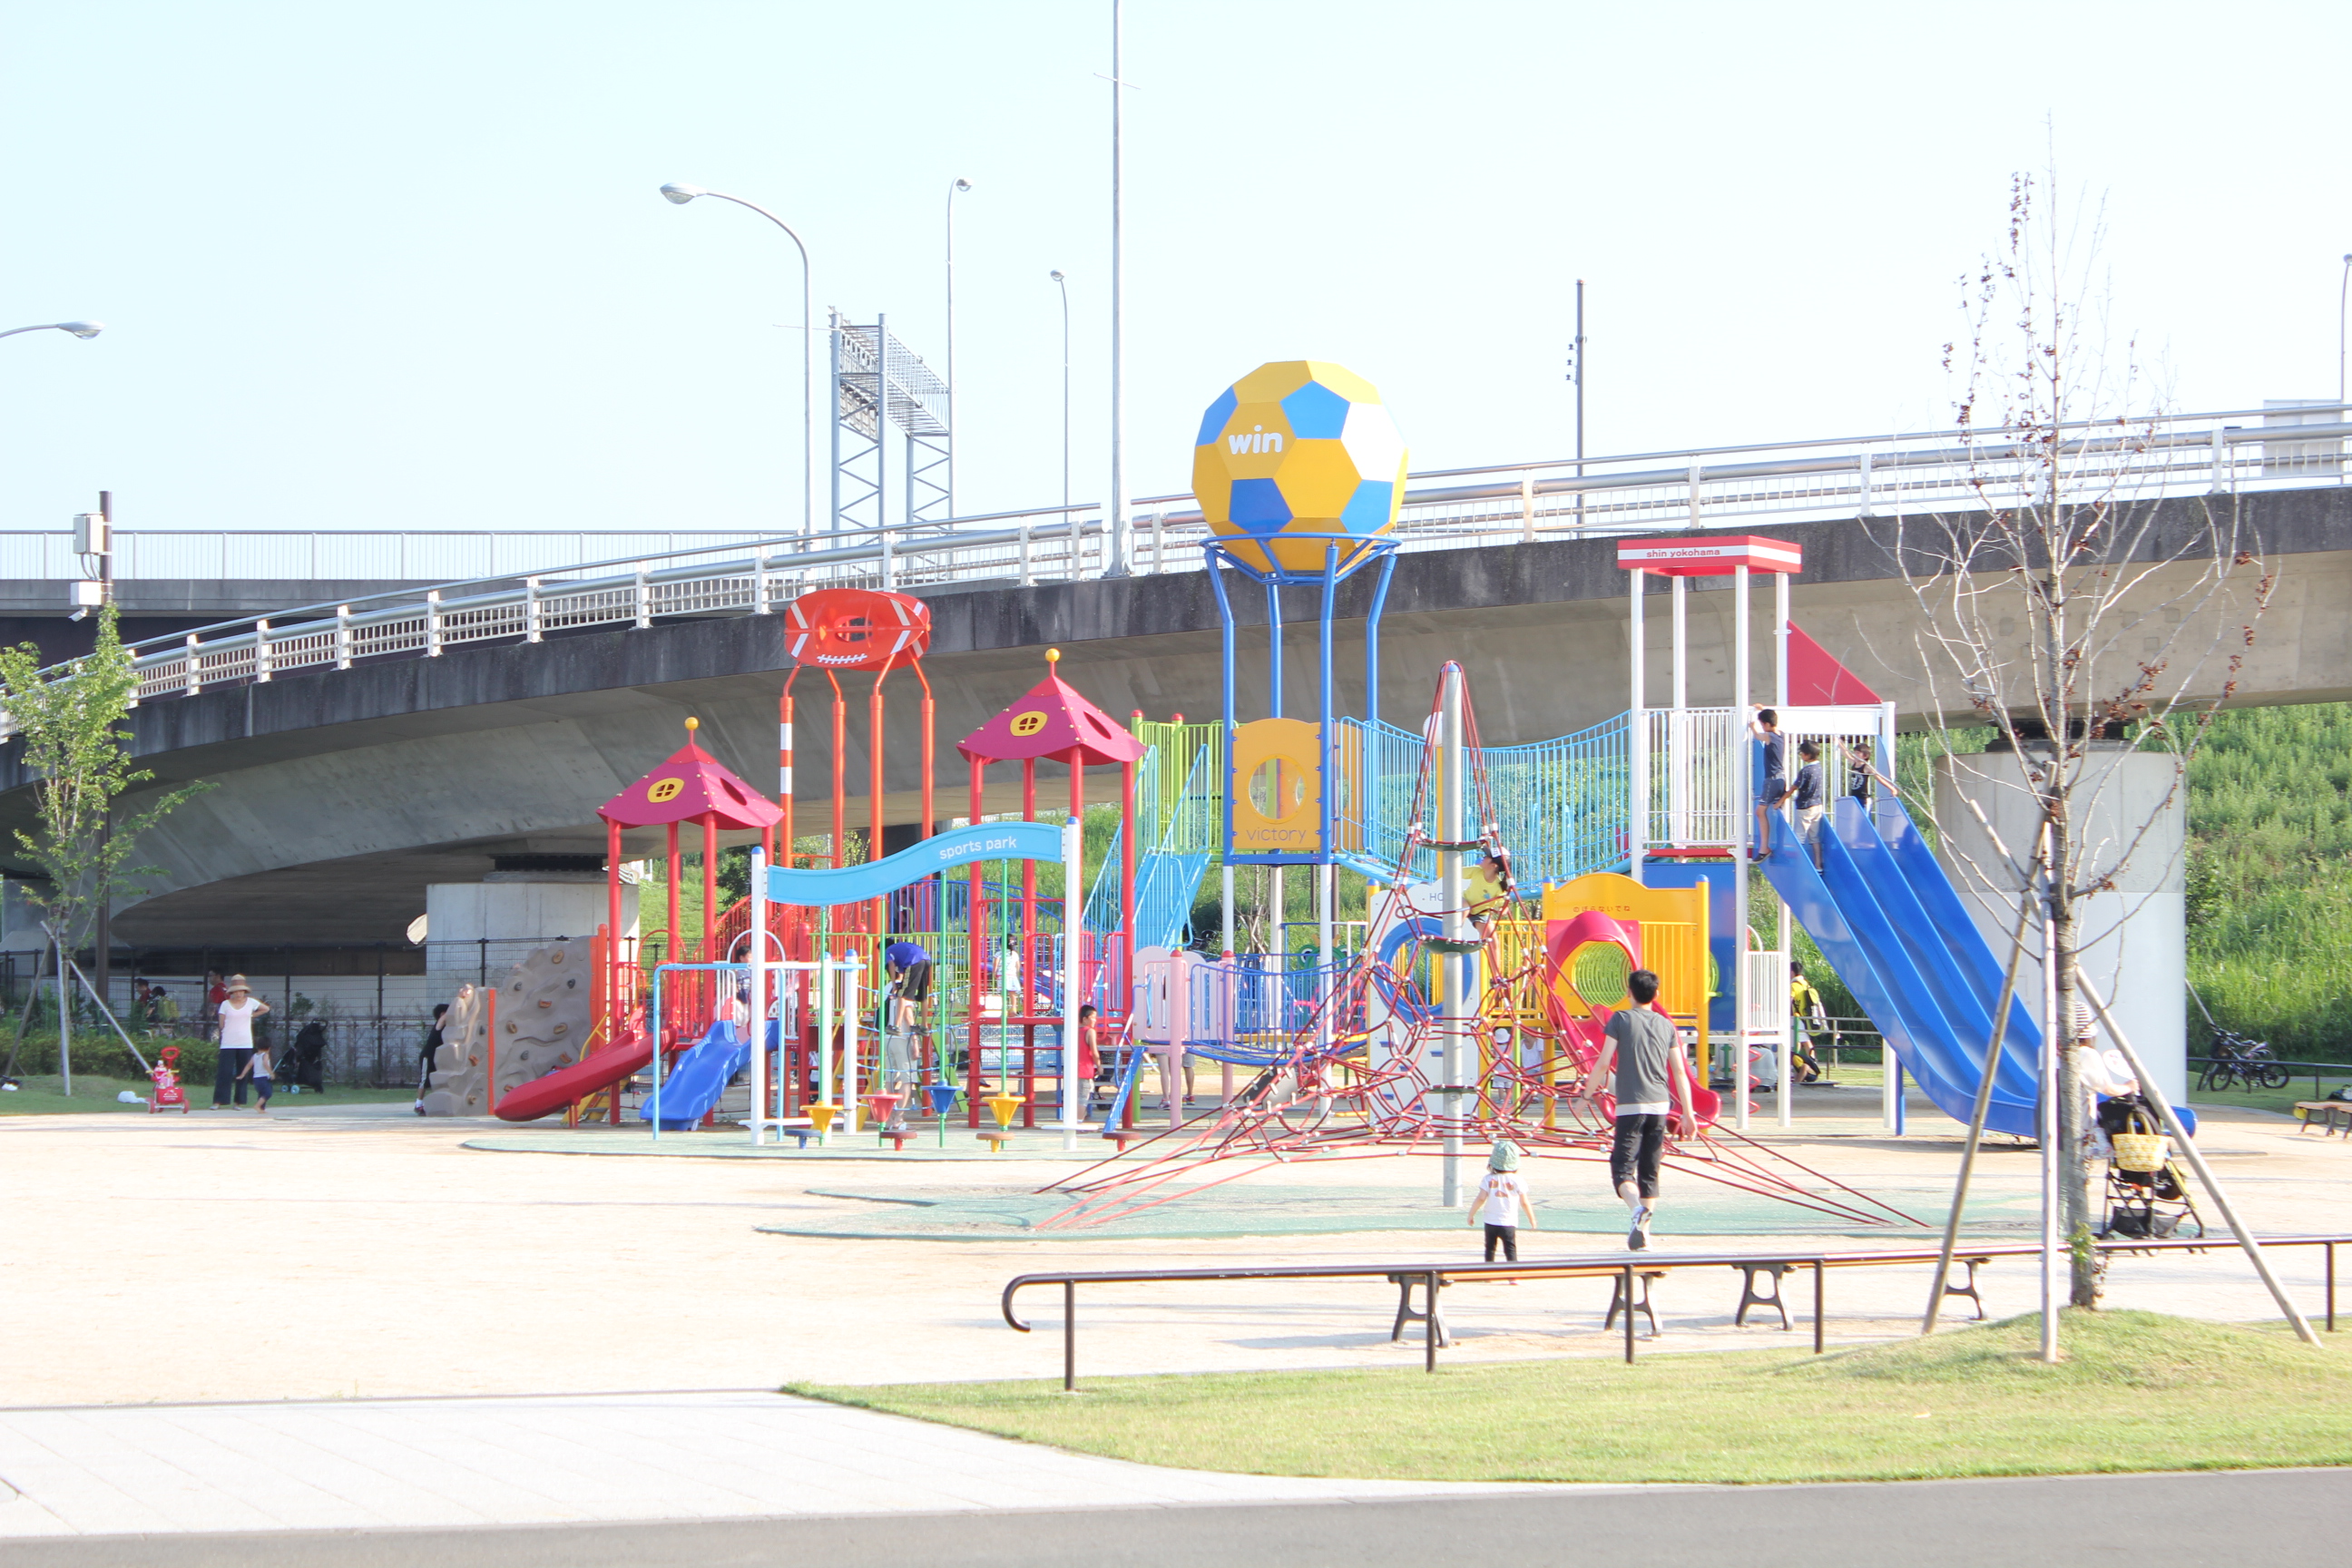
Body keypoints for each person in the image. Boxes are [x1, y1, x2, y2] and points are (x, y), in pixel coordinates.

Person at [1579, 968, 1698, 1252]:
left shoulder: (1620, 1019)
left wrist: (1585, 1095)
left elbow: (1603, 1063)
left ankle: (1636, 1210)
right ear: (1656, 994)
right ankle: (1644, 1234)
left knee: (1622, 1169)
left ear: (1628, 993)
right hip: (1660, 1106)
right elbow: (1679, 1071)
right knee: (1649, 1171)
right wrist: (1688, 1112)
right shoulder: (1666, 1025)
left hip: (1630, 1105)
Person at [1465, 1138, 1537, 1263]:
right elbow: (1524, 1202)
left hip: (1490, 1220)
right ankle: (1513, 1272)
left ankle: (1489, 1271)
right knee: (1510, 1248)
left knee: (1490, 1248)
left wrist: (1471, 1214)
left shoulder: (1488, 1179)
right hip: (1508, 1221)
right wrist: (1532, 1219)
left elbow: (1481, 1198)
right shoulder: (1518, 1180)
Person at [211, 975, 270, 1108]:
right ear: (232, 992)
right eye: (236, 991)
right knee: (224, 1072)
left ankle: (238, 1102)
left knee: (242, 1072)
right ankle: (218, 1101)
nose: (239, 994)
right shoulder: (225, 1004)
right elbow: (221, 1023)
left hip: (245, 1043)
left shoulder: (251, 1002)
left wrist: (252, 1015)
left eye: (241, 991)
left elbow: (266, 1008)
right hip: (228, 1043)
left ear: (244, 991)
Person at [1748, 708, 1788, 856]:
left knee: (1760, 811)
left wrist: (1752, 727)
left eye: (1762, 724)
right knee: (1778, 813)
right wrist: (1762, 709)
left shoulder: (1769, 736)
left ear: (1766, 724)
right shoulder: (1781, 734)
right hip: (1781, 779)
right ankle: (1780, 846)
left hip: (1772, 779)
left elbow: (1758, 736)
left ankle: (1764, 847)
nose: (1762, 727)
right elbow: (1770, 717)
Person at [1788, 961, 1826, 1083]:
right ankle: (1812, 1062)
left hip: (1796, 1018)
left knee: (1795, 1044)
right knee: (1805, 1042)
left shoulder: (1793, 985)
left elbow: (1789, 1001)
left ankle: (1800, 1066)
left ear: (1792, 972)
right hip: (1806, 1019)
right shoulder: (1805, 983)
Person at [884, 940, 931, 1034]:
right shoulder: (901, 948)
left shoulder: (887, 951)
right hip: (927, 960)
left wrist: (894, 985)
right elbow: (904, 974)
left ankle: (896, 1026)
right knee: (923, 996)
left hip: (913, 961)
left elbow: (891, 964)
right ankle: (924, 1026)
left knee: (901, 994)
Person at [1791, 740, 1827, 860]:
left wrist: (1781, 801)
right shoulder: (1819, 768)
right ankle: (1818, 864)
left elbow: (1794, 787)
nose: (1801, 755)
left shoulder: (1806, 771)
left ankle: (1799, 863)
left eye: (1802, 753)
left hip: (1805, 806)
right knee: (1814, 838)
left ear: (1808, 754)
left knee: (1799, 837)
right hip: (1817, 805)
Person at [414, 1001, 450, 1115]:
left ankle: (436, 1103)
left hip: (437, 1058)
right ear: (442, 1014)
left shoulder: (448, 1028)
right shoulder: (439, 1024)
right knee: (424, 1080)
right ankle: (418, 1104)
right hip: (428, 1056)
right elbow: (444, 1017)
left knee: (437, 1079)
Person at [242, 1036, 275, 1113]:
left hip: (256, 1078)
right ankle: (257, 1106)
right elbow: (265, 1064)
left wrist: (243, 1074)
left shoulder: (255, 1055)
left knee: (261, 1093)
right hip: (263, 1078)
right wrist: (271, 1073)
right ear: (268, 1048)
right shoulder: (265, 1055)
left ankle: (261, 1108)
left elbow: (249, 1065)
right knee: (268, 1093)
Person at [203, 972, 229, 1041]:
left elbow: (213, 1005)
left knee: (213, 1039)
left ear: (218, 976)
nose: (209, 978)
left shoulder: (216, 989)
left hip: (215, 1019)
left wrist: (207, 1016)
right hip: (225, 1019)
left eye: (211, 975)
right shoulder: (225, 988)